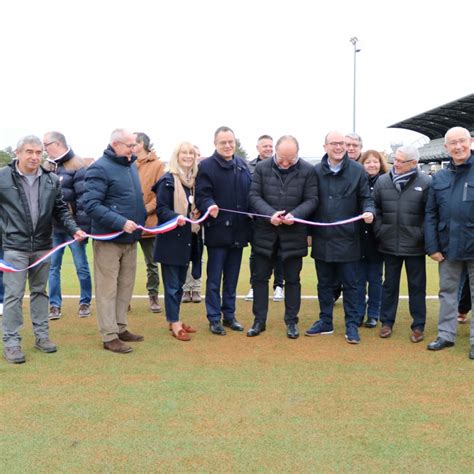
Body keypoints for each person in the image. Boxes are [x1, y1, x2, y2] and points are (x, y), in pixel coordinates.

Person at [0, 135, 86, 364]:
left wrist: (74, 229)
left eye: (39, 152)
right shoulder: (2, 177)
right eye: (29, 152)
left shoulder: (51, 180)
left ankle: (42, 337)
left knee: (40, 292)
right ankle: (11, 342)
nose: (34, 157)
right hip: (13, 248)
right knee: (13, 296)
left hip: (42, 247)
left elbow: (61, 211)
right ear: (17, 153)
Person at [305, 131, 374, 344]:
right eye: (333, 143)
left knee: (352, 285)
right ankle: (325, 321)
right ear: (325, 146)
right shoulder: (314, 171)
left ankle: (352, 325)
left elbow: (366, 198)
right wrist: (308, 233)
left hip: (349, 239)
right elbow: (309, 202)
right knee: (324, 284)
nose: (338, 147)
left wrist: (370, 211)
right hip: (322, 239)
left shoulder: (357, 171)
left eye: (342, 143)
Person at [247, 135, 318, 338]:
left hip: (294, 234)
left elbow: (312, 199)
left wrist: (295, 215)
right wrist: (270, 214)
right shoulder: (261, 168)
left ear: (297, 154)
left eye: (291, 159)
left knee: (292, 280)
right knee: (260, 278)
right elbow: (253, 196)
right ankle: (259, 321)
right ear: (275, 152)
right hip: (264, 232)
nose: (286, 163)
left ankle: (291, 322)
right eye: (282, 159)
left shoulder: (308, 170)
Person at [84, 129, 146, 354]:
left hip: (130, 239)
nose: (134, 149)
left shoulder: (129, 165)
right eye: (130, 145)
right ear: (115, 145)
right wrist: (120, 222)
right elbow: (90, 204)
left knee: (125, 286)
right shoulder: (99, 168)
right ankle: (109, 335)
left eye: (135, 145)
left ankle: (120, 327)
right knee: (107, 289)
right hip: (109, 239)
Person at [195, 126, 252, 335]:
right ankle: (214, 318)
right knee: (214, 278)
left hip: (239, 232)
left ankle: (229, 315)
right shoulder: (207, 166)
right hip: (218, 231)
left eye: (231, 142)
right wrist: (209, 205)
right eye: (223, 143)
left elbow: (250, 194)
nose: (228, 146)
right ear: (215, 144)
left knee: (232, 277)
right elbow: (201, 195)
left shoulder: (243, 165)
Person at [425, 126, 474, 359]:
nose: (458, 146)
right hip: (447, 247)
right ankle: (446, 335)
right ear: (446, 147)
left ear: (470, 141)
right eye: (453, 143)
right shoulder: (439, 177)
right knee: (447, 292)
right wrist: (432, 246)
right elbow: (431, 214)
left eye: (462, 141)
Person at [373, 145, 430, 342]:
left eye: (400, 161)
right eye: (394, 159)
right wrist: (381, 230)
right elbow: (375, 209)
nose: (395, 164)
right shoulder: (382, 181)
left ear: (414, 163)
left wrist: (420, 234)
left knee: (417, 287)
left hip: (415, 245)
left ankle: (418, 326)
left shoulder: (426, 181)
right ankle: (386, 323)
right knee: (389, 285)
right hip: (388, 243)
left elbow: (429, 214)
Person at [152, 142, 200, 341]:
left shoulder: (194, 182)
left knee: (180, 284)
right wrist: (176, 217)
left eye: (191, 153)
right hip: (171, 241)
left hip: (188, 240)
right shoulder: (167, 180)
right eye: (184, 153)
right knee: (172, 285)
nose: (188, 156)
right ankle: (174, 322)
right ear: (177, 156)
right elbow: (161, 209)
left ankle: (174, 319)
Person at [42, 131, 92, 320]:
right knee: (53, 267)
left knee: (81, 266)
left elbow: (83, 201)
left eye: (46, 144)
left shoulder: (78, 165)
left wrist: (81, 228)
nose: (44, 148)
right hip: (52, 229)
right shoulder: (46, 167)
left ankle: (85, 302)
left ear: (57, 143)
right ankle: (55, 306)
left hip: (74, 229)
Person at [245, 135, 285, 303]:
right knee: (257, 254)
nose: (268, 149)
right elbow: (249, 192)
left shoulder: (281, 165)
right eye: (265, 146)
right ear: (258, 148)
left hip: (280, 218)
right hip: (258, 220)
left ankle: (278, 286)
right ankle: (255, 285)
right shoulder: (249, 167)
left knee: (280, 254)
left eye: (270, 146)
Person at [357, 150, 388, 328]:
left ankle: (374, 313)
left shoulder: (385, 182)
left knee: (375, 279)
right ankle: (359, 312)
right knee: (358, 279)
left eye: (375, 161)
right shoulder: (358, 182)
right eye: (368, 162)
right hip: (359, 238)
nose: (372, 165)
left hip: (377, 239)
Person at [134, 132, 165, 313]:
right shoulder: (126, 163)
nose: (131, 146)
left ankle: (153, 297)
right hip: (127, 223)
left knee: (152, 264)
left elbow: (160, 195)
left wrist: (144, 211)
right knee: (124, 265)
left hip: (149, 223)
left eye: (134, 143)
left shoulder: (158, 165)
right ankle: (124, 299)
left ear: (142, 144)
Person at [182, 145, 204, 303]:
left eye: (195, 154)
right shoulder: (178, 176)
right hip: (182, 222)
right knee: (183, 255)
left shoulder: (202, 175)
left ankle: (196, 288)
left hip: (199, 222)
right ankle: (185, 289)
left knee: (198, 256)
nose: (192, 157)